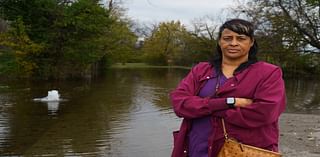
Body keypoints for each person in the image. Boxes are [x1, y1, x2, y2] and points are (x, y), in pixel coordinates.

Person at [169, 18, 286, 157]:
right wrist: (229, 102)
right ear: (219, 41)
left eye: (241, 38)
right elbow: (179, 104)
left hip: (242, 151)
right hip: (198, 148)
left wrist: (205, 109)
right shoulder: (201, 70)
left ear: (251, 42)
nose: (233, 43)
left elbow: (266, 112)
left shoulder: (268, 73)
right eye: (227, 38)